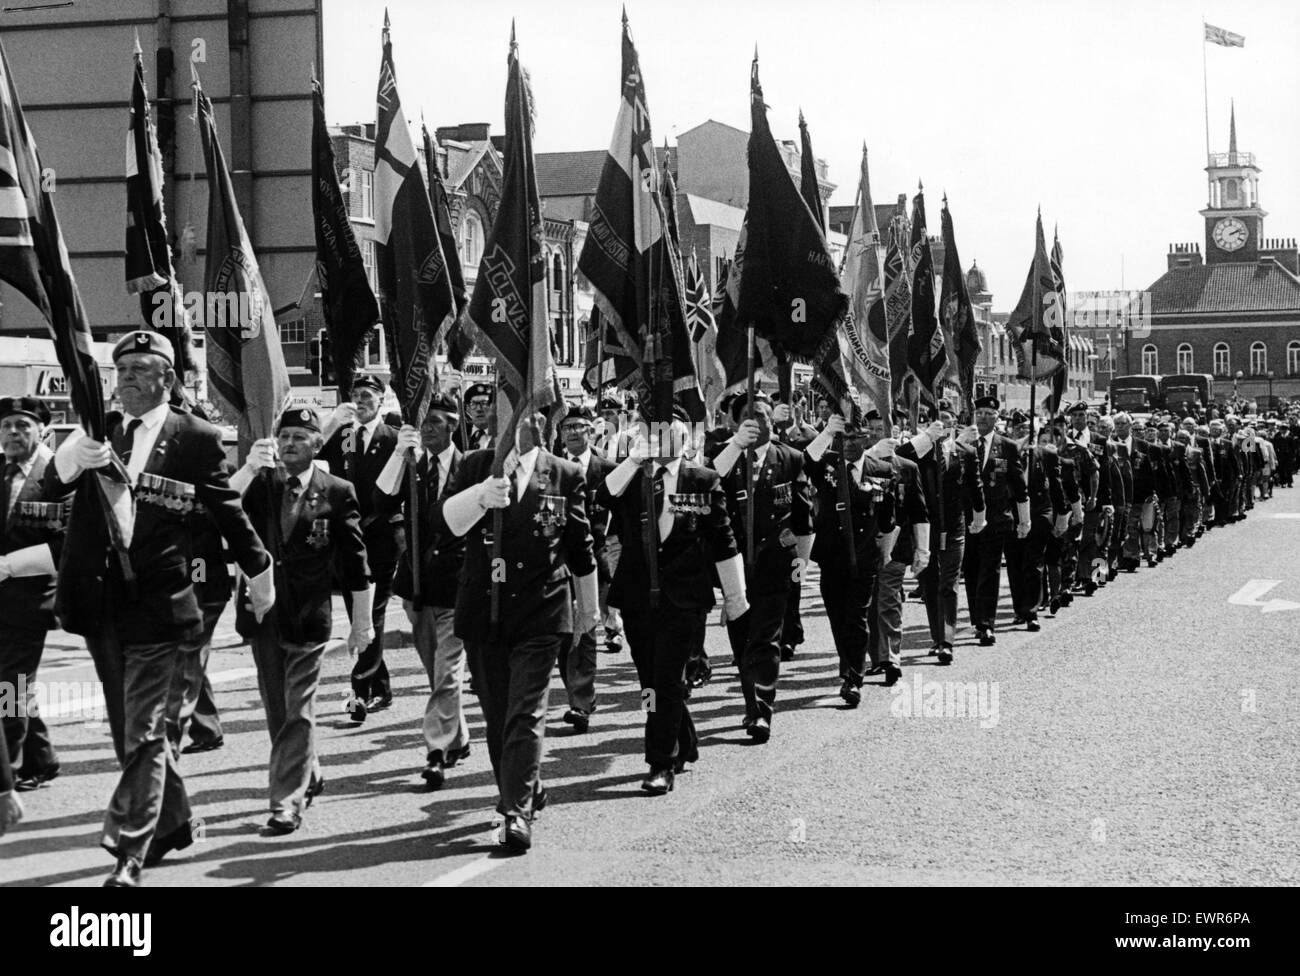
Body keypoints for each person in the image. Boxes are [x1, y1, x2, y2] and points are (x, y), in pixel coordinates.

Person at [52, 331, 274, 887]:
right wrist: (69, 461)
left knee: (145, 731)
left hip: (160, 606)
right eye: (119, 370)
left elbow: (227, 512)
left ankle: (130, 850)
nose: (124, 380)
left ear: (167, 380)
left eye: (138, 371)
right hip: (102, 607)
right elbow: (50, 490)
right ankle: (175, 821)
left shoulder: (194, 436)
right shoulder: (98, 430)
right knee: (128, 728)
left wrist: (260, 572)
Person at [435, 409, 597, 854]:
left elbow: (581, 548)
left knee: (526, 712)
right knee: (498, 714)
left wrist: (591, 610)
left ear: (541, 426)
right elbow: (445, 523)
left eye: (522, 415)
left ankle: (514, 811)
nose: (511, 424)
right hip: (484, 609)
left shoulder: (562, 473)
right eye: (504, 414)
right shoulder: (473, 465)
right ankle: (526, 784)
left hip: (541, 609)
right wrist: (479, 498)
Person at [233, 408, 373, 834]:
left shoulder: (337, 490)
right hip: (263, 614)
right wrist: (246, 469)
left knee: (299, 711)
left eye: (300, 436)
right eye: (284, 436)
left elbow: (355, 563)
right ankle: (307, 771)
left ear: (317, 444)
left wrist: (362, 624)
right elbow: (217, 510)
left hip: (310, 619)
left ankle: (285, 803)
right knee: (279, 712)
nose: (290, 443)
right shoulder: (259, 483)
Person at [598, 404, 745, 792]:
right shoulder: (632, 478)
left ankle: (659, 763)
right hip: (637, 595)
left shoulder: (703, 480)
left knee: (665, 679)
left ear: (685, 440)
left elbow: (723, 539)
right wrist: (633, 460)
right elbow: (602, 496)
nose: (660, 442)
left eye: (670, 435)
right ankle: (683, 741)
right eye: (653, 434)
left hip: (683, 598)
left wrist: (735, 596)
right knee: (649, 682)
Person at [374, 395, 472, 789]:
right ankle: (459, 737)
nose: (427, 428)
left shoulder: (471, 466)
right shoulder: (411, 465)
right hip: (416, 584)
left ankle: (436, 750)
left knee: (448, 672)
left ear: (452, 424)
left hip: (456, 584)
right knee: (436, 671)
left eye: (435, 421)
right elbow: (382, 502)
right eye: (422, 423)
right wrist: (399, 453)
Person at [709, 392, 813, 741]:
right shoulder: (724, 457)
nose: (758, 423)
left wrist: (802, 565)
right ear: (736, 423)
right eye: (748, 417)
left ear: (774, 421)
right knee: (742, 642)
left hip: (775, 565)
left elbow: (803, 519)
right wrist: (735, 446)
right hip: (734, 567)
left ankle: (759, 711)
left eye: (764, 416)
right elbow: (705, 479)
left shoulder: (791, 458)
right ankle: (750, 700)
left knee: (766, 640)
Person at [318, 374, 403, 720]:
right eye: (356, 394)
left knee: (374, 612)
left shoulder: (394, 438)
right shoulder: (343, 435)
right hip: (349, 539)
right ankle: (381, 686)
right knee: (358, 612)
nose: (361, 400)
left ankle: (361, 688)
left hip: (381, 536)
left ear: (381, 400)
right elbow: (312, 450)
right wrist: (332, 421)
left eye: (367, 395)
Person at [0, 395, 72, 792]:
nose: (13, 433)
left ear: (42, 431)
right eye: (7, 425)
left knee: (8, 686)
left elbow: (67, 545)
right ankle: (41, 760)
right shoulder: (0, 470)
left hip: (31, 602)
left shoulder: (56, 475)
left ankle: (6, 771)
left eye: (22, 426)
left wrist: (8, 566)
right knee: (14, 684)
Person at [803, 413, 895, 697]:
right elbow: (807, 460)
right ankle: (849, 665)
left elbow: (888, 518)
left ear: (867, 438)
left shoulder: (880, 468)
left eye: (858, 437)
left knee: (856, 617)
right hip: (832, 555)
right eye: (847, 436)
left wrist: (887, 552)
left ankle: (854, 676)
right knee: (838, 617)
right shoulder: (828, 464)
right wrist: (829, 433)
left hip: (865, 555)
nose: (851, 443)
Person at [897, 402, 984, 664]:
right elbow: (899, 456)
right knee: (931, 584)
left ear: (955, 425)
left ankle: (947, 641)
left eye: (949, 421)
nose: (944, 425)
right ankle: (937, 638)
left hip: (955, 525)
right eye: (938, 421)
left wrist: (979, 515)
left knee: (949, 583)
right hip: (926, 527)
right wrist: (926, 438)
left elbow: (975, 486)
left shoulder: (965, 451)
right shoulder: (920, 451)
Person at [554, 404, 616, 733]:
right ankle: (579, 694)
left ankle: (580, 701)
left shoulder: (608, 469)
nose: (574, 433)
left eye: (580, 427)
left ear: (592, 432)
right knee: (565, 633)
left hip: (595, 560)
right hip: (560, 561)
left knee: (586, 628)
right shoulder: (553, 469)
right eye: (568, 428)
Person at [962, 395, 1028, 646]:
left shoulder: (1007, 446)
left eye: (989, 414)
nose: (983, 418)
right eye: (979, 413)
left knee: (989, 570)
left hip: (997, 518)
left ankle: (986, 623)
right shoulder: (962, 443)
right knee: (971, 568)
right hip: (968, 518)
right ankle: (976, 617)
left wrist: (1025, 520)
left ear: (997, 418)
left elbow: (1019, 486)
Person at [456, 382, 495, 453]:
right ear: (467, 409)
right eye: (473, 404)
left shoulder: (501, 434)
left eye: (484, 403)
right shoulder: (459, 435)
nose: (479, 409)